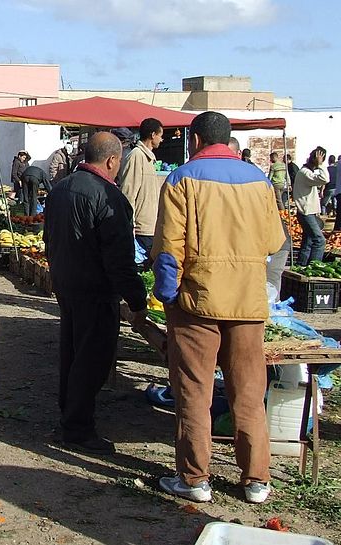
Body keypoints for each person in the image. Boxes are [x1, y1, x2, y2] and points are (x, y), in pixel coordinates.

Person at [152, 111, 285, 504]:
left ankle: (195, 479)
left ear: (193, 139)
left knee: (195, 391)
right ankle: (256, 479)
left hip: (198, 303)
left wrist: (167, 296)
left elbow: (168, 249)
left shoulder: (181, 179)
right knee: (248, 392)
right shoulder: (259, 181)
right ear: (228, 141)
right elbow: (274, 243)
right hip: (247, 303)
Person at [43, 132, 147, 454]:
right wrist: (137, 299)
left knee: (72, 352)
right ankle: (78, 429)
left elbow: (48, 238)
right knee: (92, 358)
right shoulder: (109, 197)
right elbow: (119, 259)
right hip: (95, 289)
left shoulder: (60, 189)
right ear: (112, 160)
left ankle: (70, 415)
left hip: (66, 282)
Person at [119, 118, 164, 263]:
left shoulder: (149, 158)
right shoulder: (136, 156)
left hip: (151, 227)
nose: (162, 139)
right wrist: (129, 226)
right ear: (153, 135)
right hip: (140, 229)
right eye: (160, 135)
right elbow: (128, 193)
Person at [293, 147, 329, 266]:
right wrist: (320, 165)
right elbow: (325, 179)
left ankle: (301, 266)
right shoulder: (305, 173)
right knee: (320, 241)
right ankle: (314, 266)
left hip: (308, 212)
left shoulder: (307, 172)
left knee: (308, 242)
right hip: (306, 212)